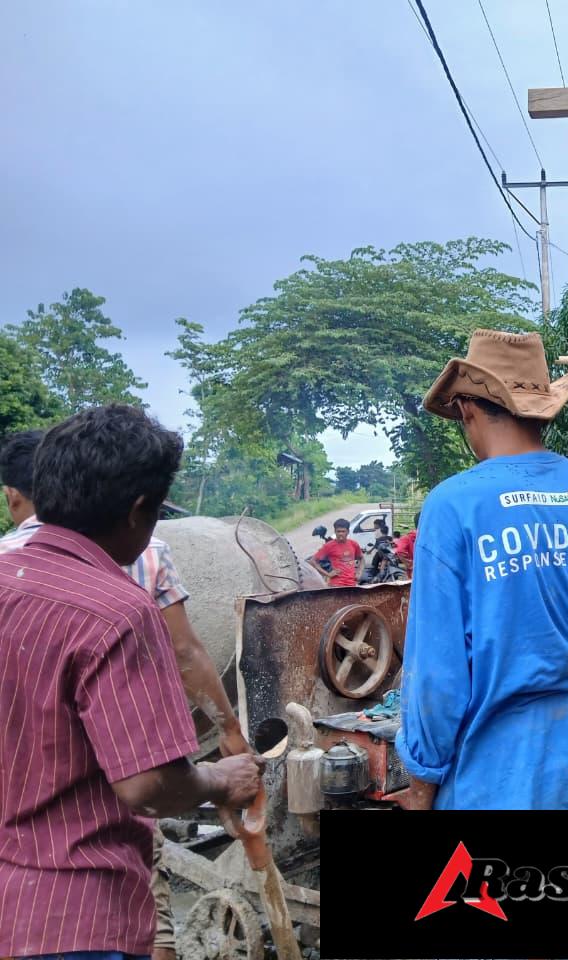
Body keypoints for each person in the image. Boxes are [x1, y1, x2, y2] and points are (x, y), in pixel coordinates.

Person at [0, 405, 262, 958]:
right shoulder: (118, 611)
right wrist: (219, 777)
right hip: (72, 913)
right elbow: (148, 787)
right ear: (139, 510)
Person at [396, 329, 568, 809]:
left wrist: (422, 784)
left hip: (499, 777)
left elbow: (437, 674)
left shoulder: (453, 506)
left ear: (467, 409)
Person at [308, 516, 363, 586]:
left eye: (343, 531)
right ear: (335, 531)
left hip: (352, 584)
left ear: (348, 532)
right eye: (338, 531)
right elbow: (313, 561)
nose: (340, 534)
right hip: (336, 585)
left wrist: (359, 572)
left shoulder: (353, 544)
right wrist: (328, 574)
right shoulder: (328, 546)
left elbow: (361, 558)